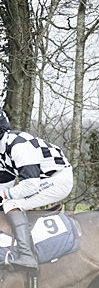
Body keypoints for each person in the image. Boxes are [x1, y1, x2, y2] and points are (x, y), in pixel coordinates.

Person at [0, 109, 74, 270]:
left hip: (58, 179)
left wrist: (5, 195)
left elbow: (31, 185)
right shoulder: (2, 149)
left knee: (11, 204)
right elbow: (4, 183)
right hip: (41, 180)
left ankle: (26, 256)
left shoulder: (18, 146)